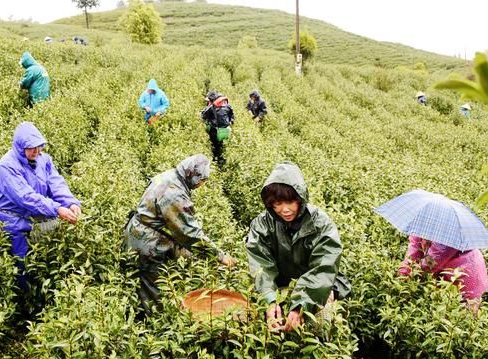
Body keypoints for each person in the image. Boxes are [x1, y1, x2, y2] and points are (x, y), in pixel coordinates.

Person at [123, 154, 236, 315]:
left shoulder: (169, 176)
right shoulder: (174, 194)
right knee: (151, 286)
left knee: (146, 278)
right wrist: (219, 255)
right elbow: (189, 232)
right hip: (147, 242)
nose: (201, 184)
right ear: (193, 175)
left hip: (141, 232)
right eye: (202, 180)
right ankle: (153, 321)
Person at [246, 161, 351, 333]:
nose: (284, 209)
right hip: (280, 283)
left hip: (317, 287)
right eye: (278, 204)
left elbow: (323, 269)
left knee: (320, 322)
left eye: (290, 202)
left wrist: (300, 305)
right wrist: (270, 300)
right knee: (262, 321)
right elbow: (261, 266)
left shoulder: (321, 224)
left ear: (300, 199)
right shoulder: (262, 225)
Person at [0, 122, 81, 292]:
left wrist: (70, 202)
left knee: (40, 259)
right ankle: (23, 300)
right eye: (31, 148)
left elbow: (56, 184)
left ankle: (40, 292)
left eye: (39, 146)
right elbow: (25, 197)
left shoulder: (43, 160)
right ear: (20, 147)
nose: (37, 151)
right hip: (13, 221)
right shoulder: (7, 166)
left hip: (35, 217)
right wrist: (57, 209)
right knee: (21, 266)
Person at [397, 236, 488, 313]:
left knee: (467, 314)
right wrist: (403, 274)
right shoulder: (422, 223)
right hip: (447, 275)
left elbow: (434, 260)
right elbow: (414, 249)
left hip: (468, 272)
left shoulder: (451, 232)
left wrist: (416, 271)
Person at [201, 90, 234, 167]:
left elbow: (204, 116)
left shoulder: (212, 108)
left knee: (215, 146)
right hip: (226, 130)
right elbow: (232, 116)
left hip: (215, 130)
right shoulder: (227, 105)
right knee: (223, 146)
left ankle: (216, 161)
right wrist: (230, 122)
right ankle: (222, 161)